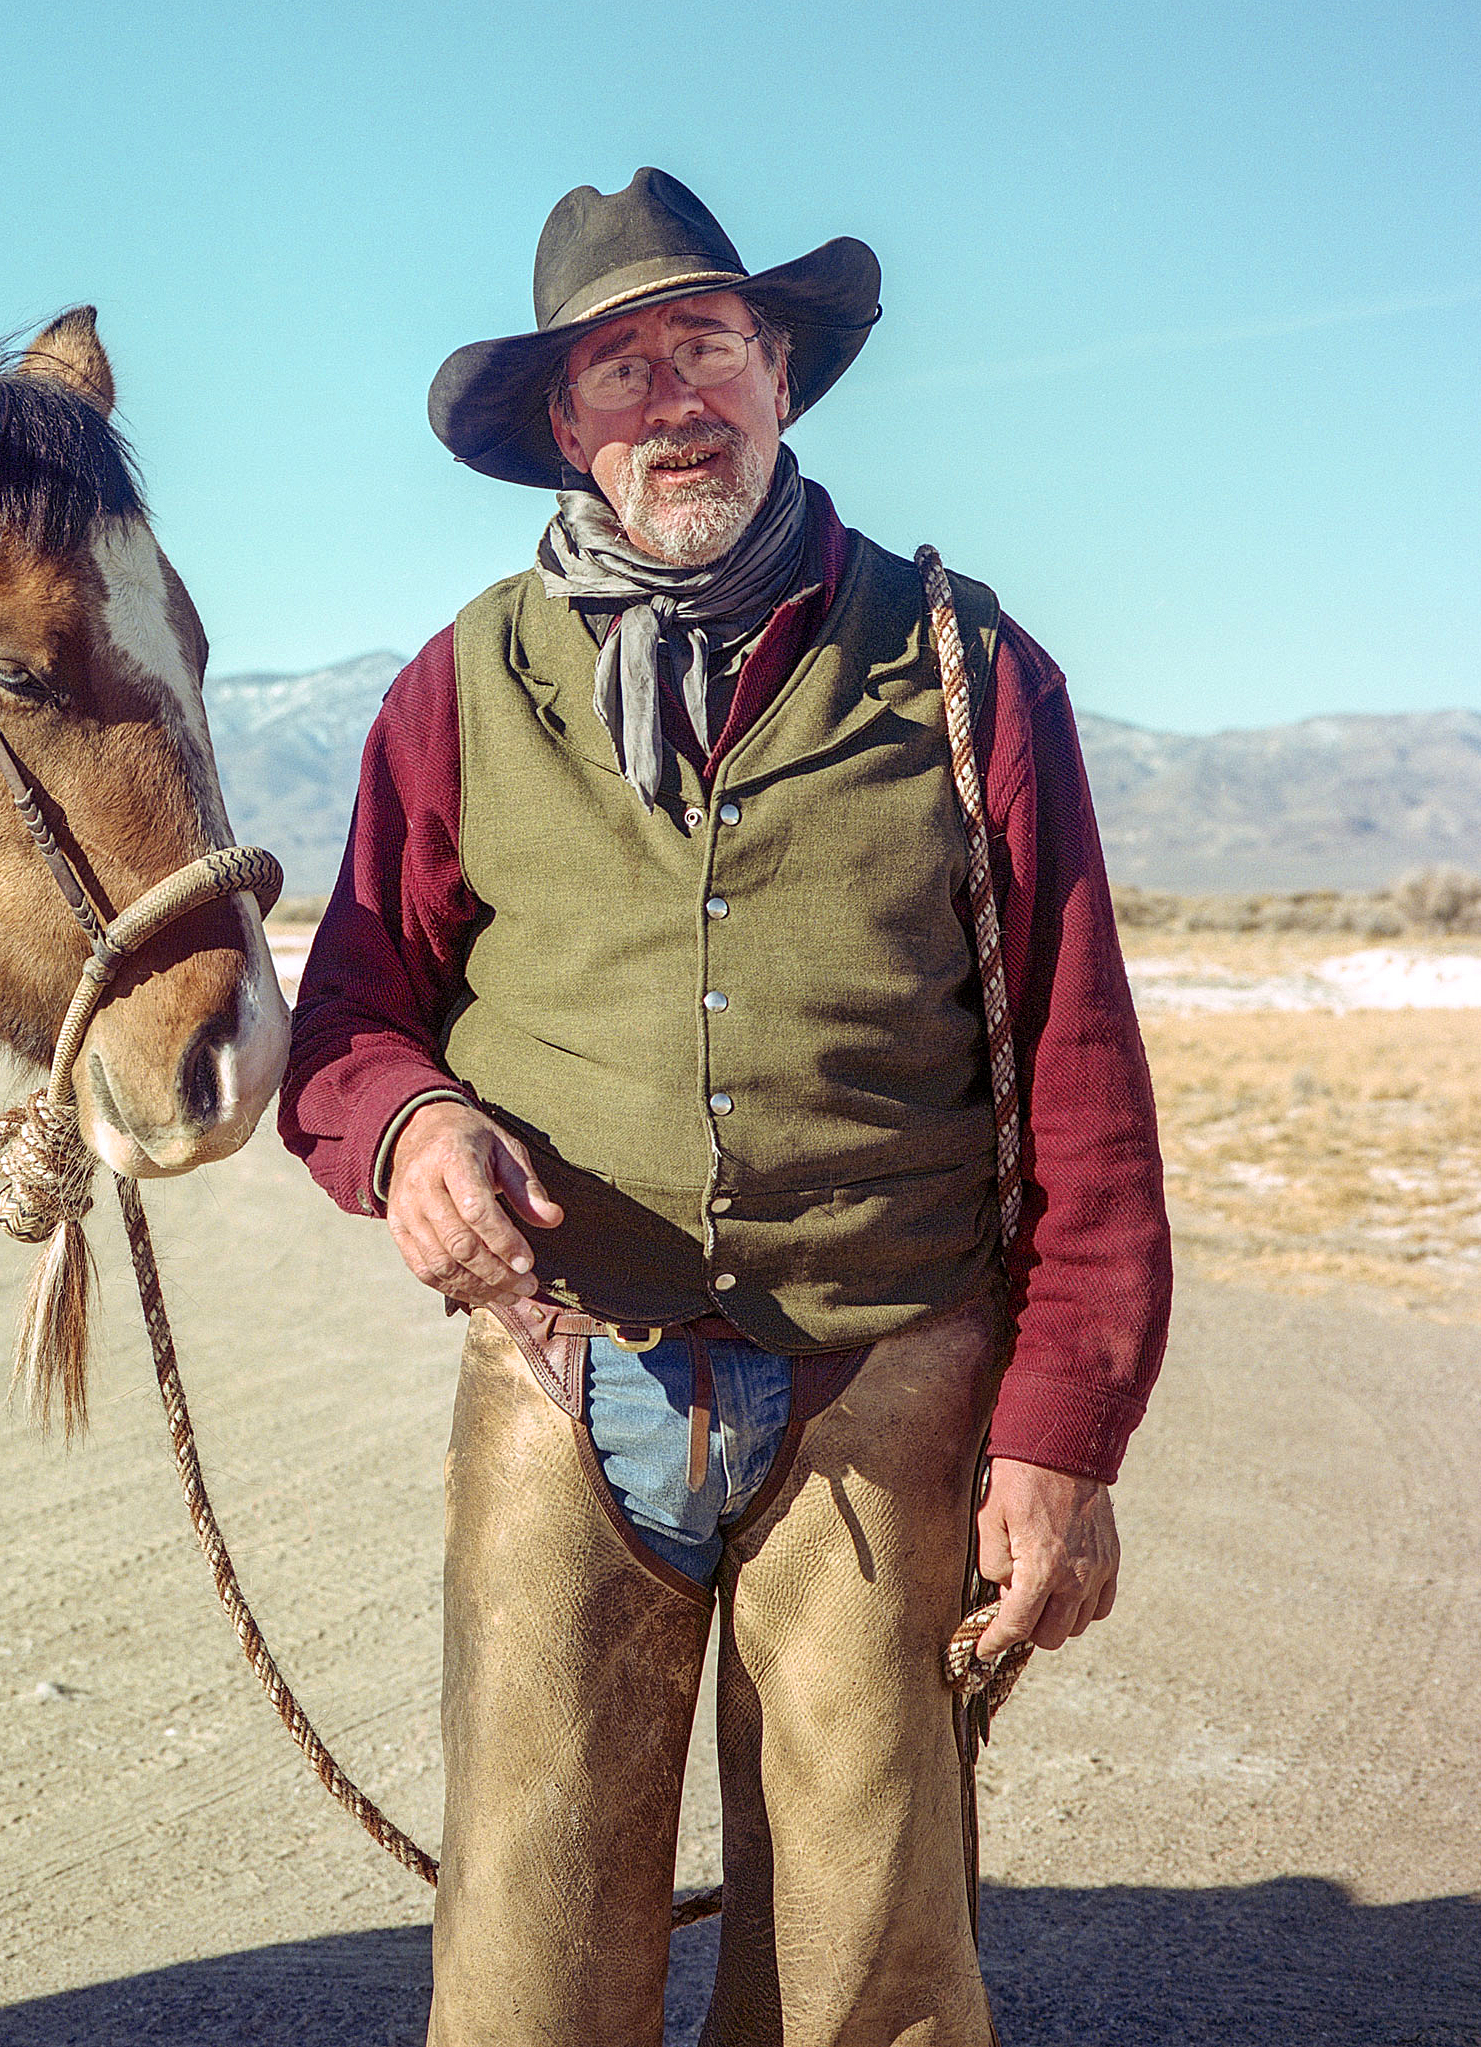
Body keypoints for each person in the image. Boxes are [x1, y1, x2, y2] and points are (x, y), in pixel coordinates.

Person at [278, 169, 1172, 2046]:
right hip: (558, 1365)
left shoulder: (964, 674)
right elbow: (351, 1015)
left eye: (707, 347)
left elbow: (1085, 1084)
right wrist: (414, 1130)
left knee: (869, 1966)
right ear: (563, 430)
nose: (672, 399)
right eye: (620, 368)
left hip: (887, 1371)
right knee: (528, 1957)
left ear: (781, 372)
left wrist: (1065, 1433)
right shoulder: (454, 692)